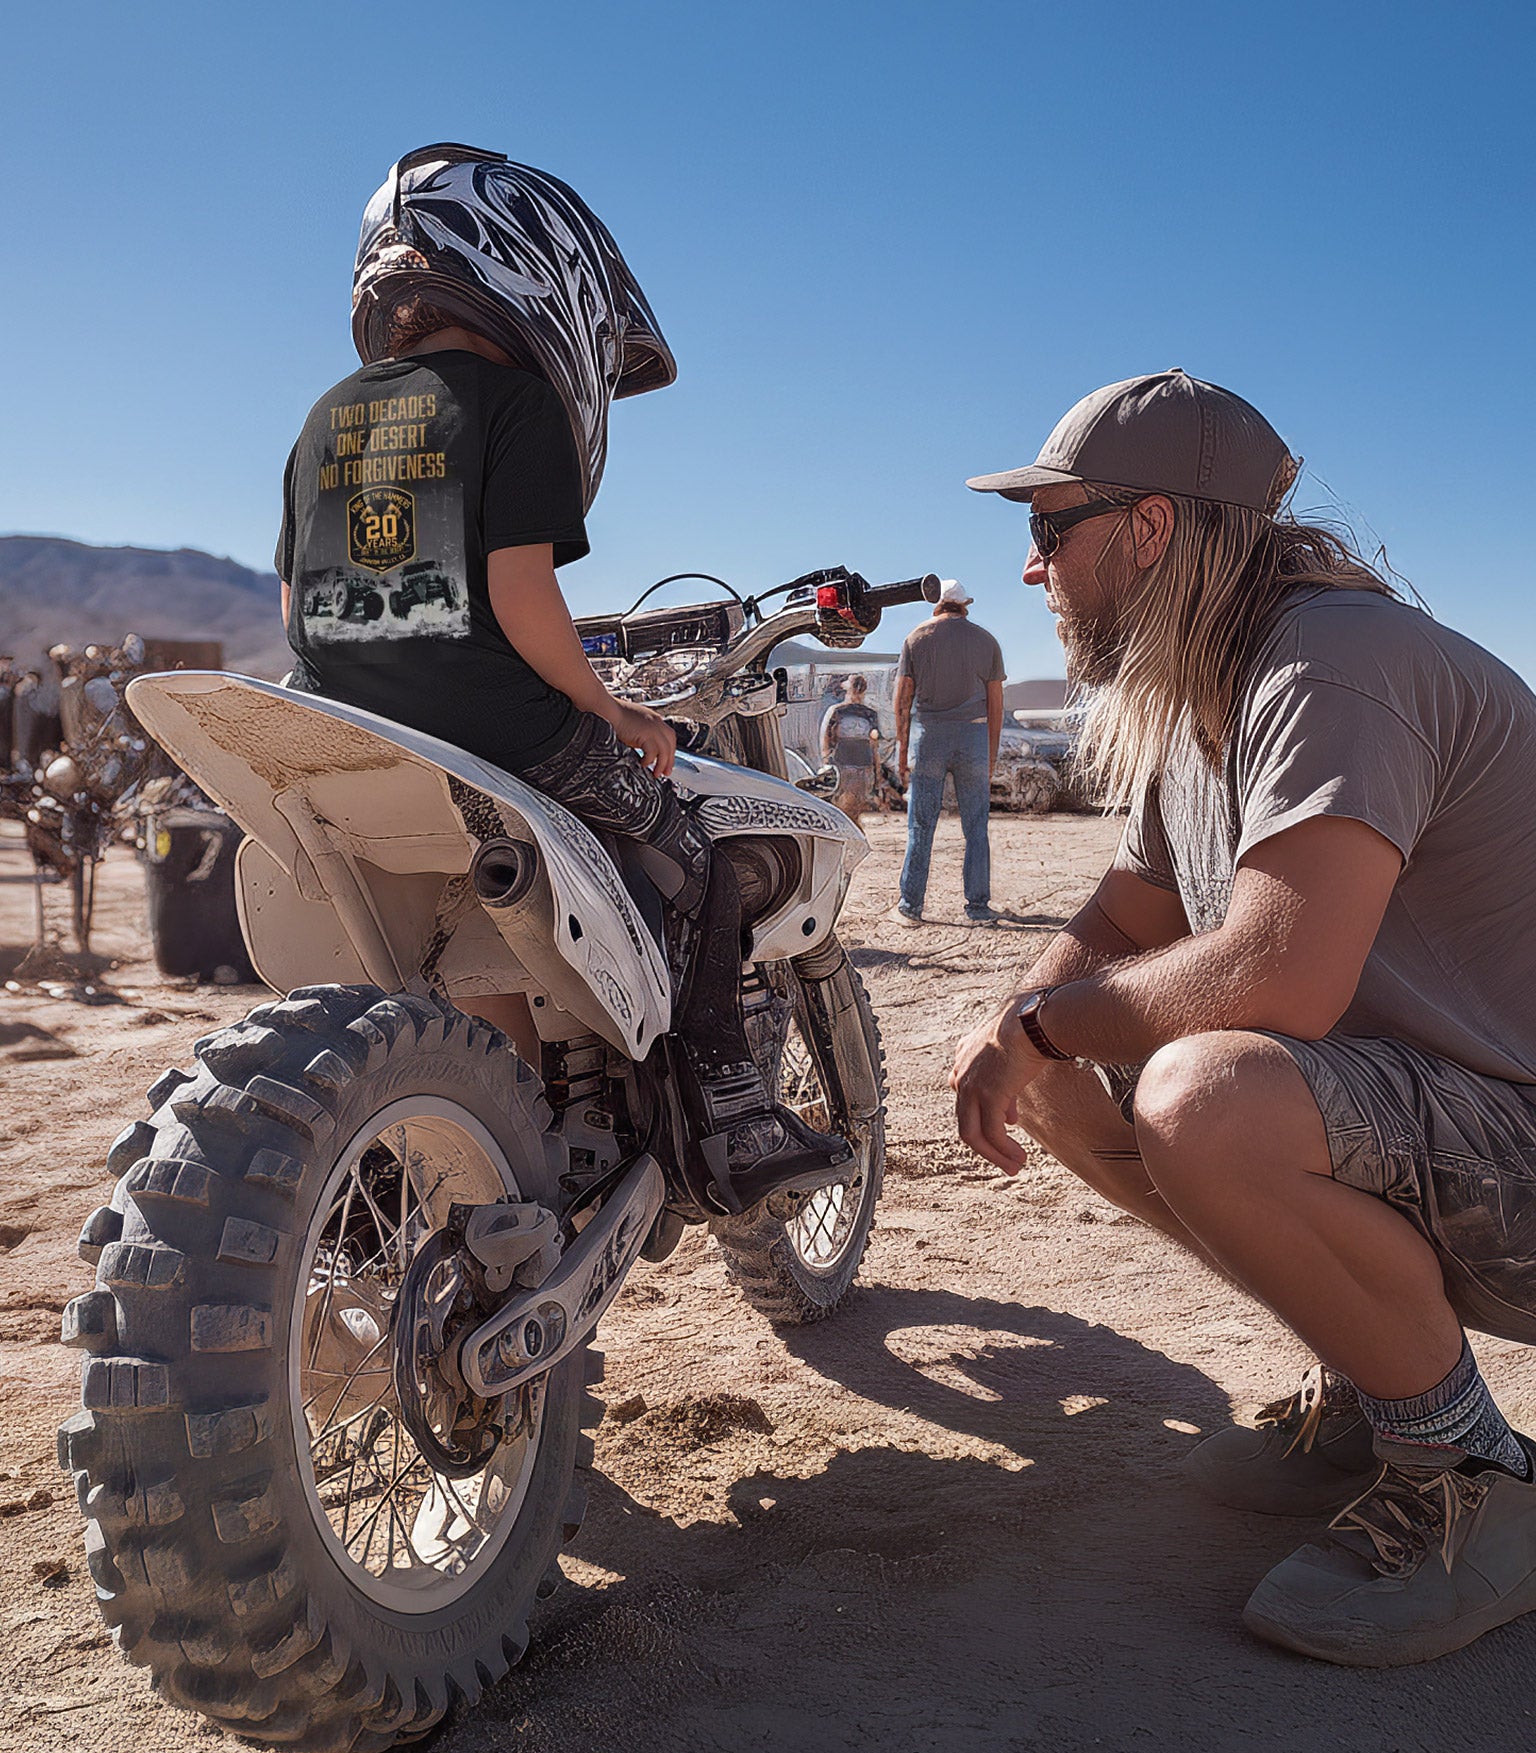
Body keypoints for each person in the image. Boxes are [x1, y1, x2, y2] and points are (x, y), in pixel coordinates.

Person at [951, 369, 1536, 1666]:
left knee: (1200, 1092)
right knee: (1068, 1074)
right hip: (1473, 1141)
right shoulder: (1202, 688)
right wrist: (1017, 1025)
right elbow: (1126, 910)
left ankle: (1467, 1477)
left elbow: (1279, 975)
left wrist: (1043, 1025)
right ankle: (1381, 1383)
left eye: (1050, 530)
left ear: (1151, 529)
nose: (1034, 570)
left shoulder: (1334, 662)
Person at [274, 142, 850, 1212]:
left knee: (466, 959)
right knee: (695, 854)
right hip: (494, 727)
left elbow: (299, 599)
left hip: (342, 727)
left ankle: (508, 1138)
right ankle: (725, 1114)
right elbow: (523, 598)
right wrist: (607, 707)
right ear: (537, 275)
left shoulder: (327, 416)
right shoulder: (512, 403)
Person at [893, 579, 1006, 926]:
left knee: (921, 826)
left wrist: (901, 752)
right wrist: (990, 755)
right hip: (972, 736)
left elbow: (902, 701)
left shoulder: (916, 638)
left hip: (929, 739)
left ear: (936, 606)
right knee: (976, 827)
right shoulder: (986, 640)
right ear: (964, 605)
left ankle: (910, 907)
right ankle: (978, 908)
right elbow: (996, 705)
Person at [819, 673, 883, 826]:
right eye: (855, 687)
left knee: (858, 802)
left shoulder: (869, 714)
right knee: (842, 801)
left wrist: (876, 767)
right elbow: (826, 735)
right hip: (843, 761)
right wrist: (826, 756)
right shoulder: (837, 711)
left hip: (862, 761)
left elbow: (873, 743)